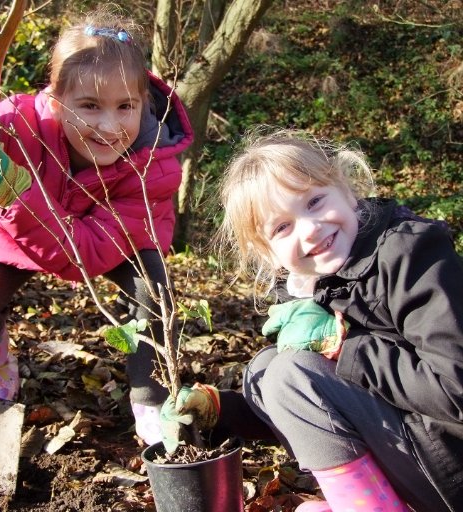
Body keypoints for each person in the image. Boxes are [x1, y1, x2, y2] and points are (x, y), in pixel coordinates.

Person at [160, 128, 463, 512]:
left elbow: (457, 389)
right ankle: (368, 502)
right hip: (419, 461)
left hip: (452, 468)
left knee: (290, 372)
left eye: (316, 201)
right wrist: (222, 410)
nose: (310, 228)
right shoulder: (311, 285)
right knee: (265, 371)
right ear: (267, 252)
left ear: (347, 192)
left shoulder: (410, 256)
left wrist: (344, 345)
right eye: (282, 227)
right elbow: (316, 409)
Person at [0, 8, 193, 445]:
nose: (109, 125)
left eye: (126, 106)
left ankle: (152, 400)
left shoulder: (153, 169)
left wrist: (17, 194)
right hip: (14, 238)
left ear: (144, 102)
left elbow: (83, 259)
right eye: (89, 106)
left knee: (152, 292)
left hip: (99, 244)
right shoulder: (16, 123)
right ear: (56, 97)